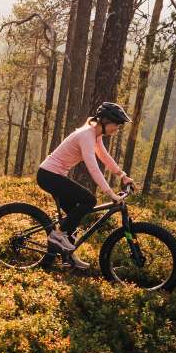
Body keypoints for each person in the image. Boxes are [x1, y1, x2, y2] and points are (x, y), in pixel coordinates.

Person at [37, 102, 134, 270]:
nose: (116, 129)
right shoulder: (86, 135)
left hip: (54, 175)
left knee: (73, 220)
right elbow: (93, 167)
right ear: (104, 120)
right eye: (116, 125)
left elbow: (104, 156)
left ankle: (68, 256)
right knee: (89, 200)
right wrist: (110, 193)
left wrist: (122, 175)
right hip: (48, 175)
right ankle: (57, 235)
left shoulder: (94, 134)